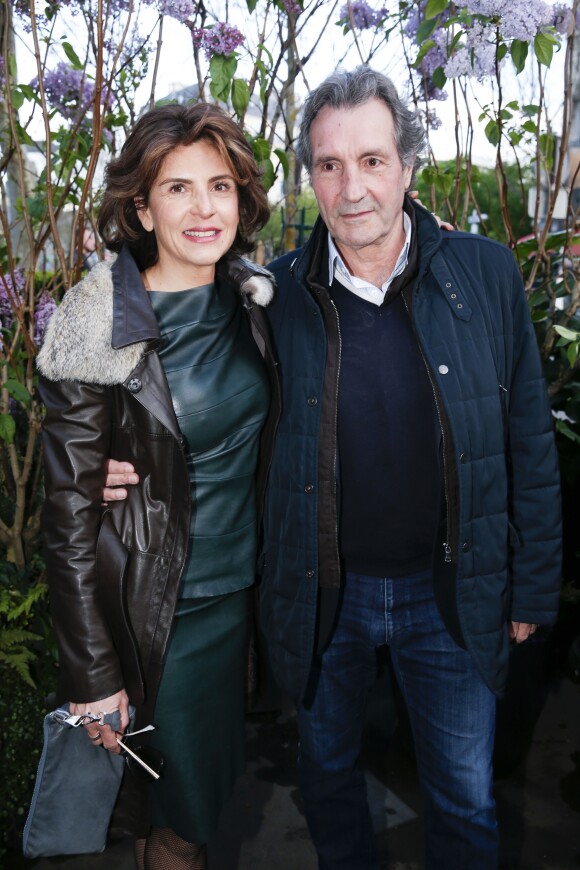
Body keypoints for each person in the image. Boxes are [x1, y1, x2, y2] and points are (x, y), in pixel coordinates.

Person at [104, 67, 562, 869]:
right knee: (326, 782)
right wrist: (115, 458)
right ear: (309, 176)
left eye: (373, 161)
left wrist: (531, 586)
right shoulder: (269, 293)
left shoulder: (485, 275)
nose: (353, 189)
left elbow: (530, 438)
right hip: (321, 595)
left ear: (408, 166)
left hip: (452, 588)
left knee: (465, 795)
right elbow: (184, 380)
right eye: (329, 165)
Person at [37, 102, 280, 870]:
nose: (204, 208)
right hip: (155, 619)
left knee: (197, 805)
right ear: (141, 207)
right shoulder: (98, 321)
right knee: (181, 819)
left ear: (242, 199)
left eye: (220, 186)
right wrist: (93, 674)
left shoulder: (253, 300)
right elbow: (68, 516)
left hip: (239, 603)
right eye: (177, 189)